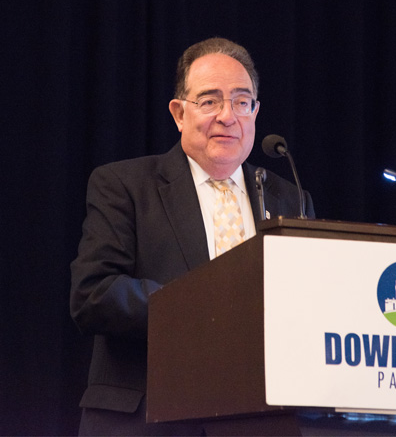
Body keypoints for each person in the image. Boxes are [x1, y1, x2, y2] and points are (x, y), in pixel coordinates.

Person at [70, 37, 315, 436]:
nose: (227, 116)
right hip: (149, 419)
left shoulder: (290, 198)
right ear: (179, 113)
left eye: (241, 101)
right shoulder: (125, 185)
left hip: (259, 421)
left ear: (255, 111)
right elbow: (94, 294)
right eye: (209, 101)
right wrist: (205, 308)